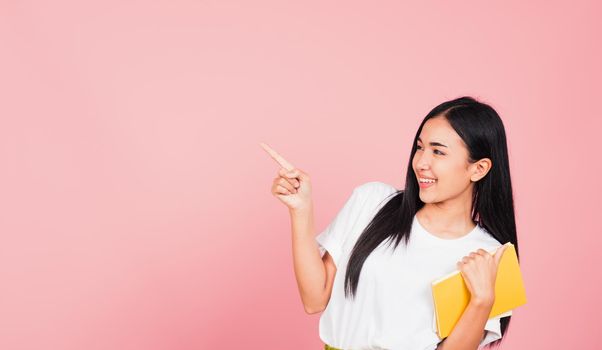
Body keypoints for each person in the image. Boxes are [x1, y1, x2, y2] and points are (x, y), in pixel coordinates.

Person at [270, 96, 519, 350]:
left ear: (478, 169)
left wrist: (482, 299)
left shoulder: (491, 256)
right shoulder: (372, 202)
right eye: (419, 147)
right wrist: (301, 210)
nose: (421, 162)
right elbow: (314, 299)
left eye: (438, 151)